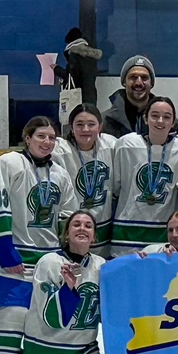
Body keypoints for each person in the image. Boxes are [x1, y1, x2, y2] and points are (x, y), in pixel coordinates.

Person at [0, 116, 77, 354]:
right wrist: (5, 253)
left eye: (52, 138)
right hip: (14, 257)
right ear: (27, 136)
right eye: (41, 136)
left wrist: (68, 255)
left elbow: (66, 216)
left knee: (41, 320)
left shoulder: (60, 172)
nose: (47, 142)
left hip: (47, 260)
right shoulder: (9, 163)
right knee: (13, 315)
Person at [22, 211, 111, 354]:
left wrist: (147, 256)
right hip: (48, 352)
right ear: (66, 235)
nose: (82, 228)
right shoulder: (49, 262)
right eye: (76, 225)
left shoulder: (101, 265)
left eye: (88, 226)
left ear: (94, 236)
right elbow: (52, 320)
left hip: (85, 352)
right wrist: (68, 288)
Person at [111, 96, 178, 256]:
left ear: (173, 122)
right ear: (145, 118)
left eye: (167, 117)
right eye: (155, 115)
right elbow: (115, 188)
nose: (160, 121)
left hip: (166, 234)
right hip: (126, 233)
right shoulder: (126, 145)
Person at [52, 104, 119, 258]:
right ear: (71, 127)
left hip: (104, 229)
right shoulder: (59, 150)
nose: (86, 129)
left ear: (100, 126)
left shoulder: (111, 146)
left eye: (91, 124)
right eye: (80, 124)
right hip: (72, 229)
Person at [51, 27, 102, 134]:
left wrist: (56, 69)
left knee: (76, 125)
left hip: (77, 98)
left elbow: (72, 76)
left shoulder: (75, 55)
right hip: (90, 95)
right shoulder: (90, 58)